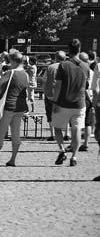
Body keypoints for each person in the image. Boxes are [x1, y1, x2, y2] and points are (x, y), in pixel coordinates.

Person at [52, 39, 90, 167]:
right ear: (79, 49)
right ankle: (74, 156)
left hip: (63, 103)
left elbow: (58, 86)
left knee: (57, 128)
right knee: (77, 129)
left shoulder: (63, 65)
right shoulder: (85, 66)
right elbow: (86, 85)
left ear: (68, 50)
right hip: (79, 103)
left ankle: (62, 149)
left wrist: (54, 101)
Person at [0, 50, 29, 167]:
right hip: (20, 107)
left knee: (0, 133)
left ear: (12, 61)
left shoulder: (10, 72)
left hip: (8, 106)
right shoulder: (26, 74)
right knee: (16, 134)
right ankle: (13, 159)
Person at [43, 51, 66, 141]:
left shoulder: (50, 67)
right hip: (63, 94)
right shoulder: (66, 67)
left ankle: (52, 134)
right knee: (64, 114)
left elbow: (44, 80)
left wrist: (45, 91)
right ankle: (66, 134)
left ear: (55, 58)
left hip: (50, 94)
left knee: (50, 114)